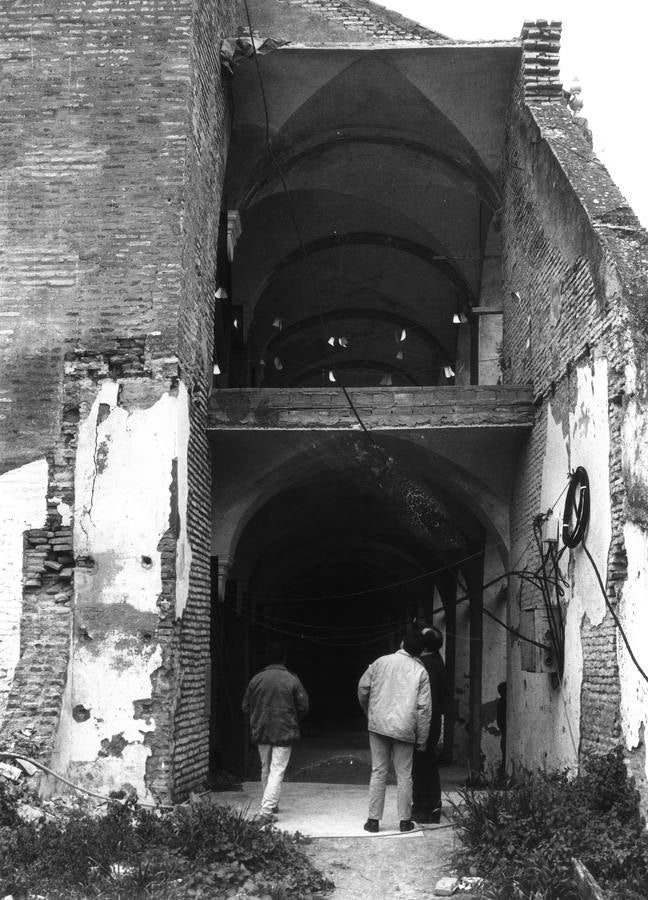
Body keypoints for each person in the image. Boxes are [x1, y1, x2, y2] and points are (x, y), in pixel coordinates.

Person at [357, 628, 431, 833]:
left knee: (378, 771)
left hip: (378, 725)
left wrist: (370, 712)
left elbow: (363, 689)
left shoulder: (380, 662)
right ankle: (405, 821)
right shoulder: (421, 671)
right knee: (404, 774)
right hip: (405, 728)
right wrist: (422, 738)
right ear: (420, 651)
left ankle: (373, 821)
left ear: (401, 644)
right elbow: (424, 709)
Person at [241, 641, 309, 825]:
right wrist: (292, 719)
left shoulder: (256, 679)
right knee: (277, 770)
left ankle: (270, 804)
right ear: (284, 659)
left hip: (261, 730)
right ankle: (266, 810)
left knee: (266, 768)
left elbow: (245, 706)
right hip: (284, 731)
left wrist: (257, 718)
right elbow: (303, 706)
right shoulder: (292, 679)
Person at [412, 626, 448, 823]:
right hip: (432, 720)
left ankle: (423, 808)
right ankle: (431, 807)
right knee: (427, 763)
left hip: (426, 721)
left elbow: (425, 701)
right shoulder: (436, 661)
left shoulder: (425, 665)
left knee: (421, 765)